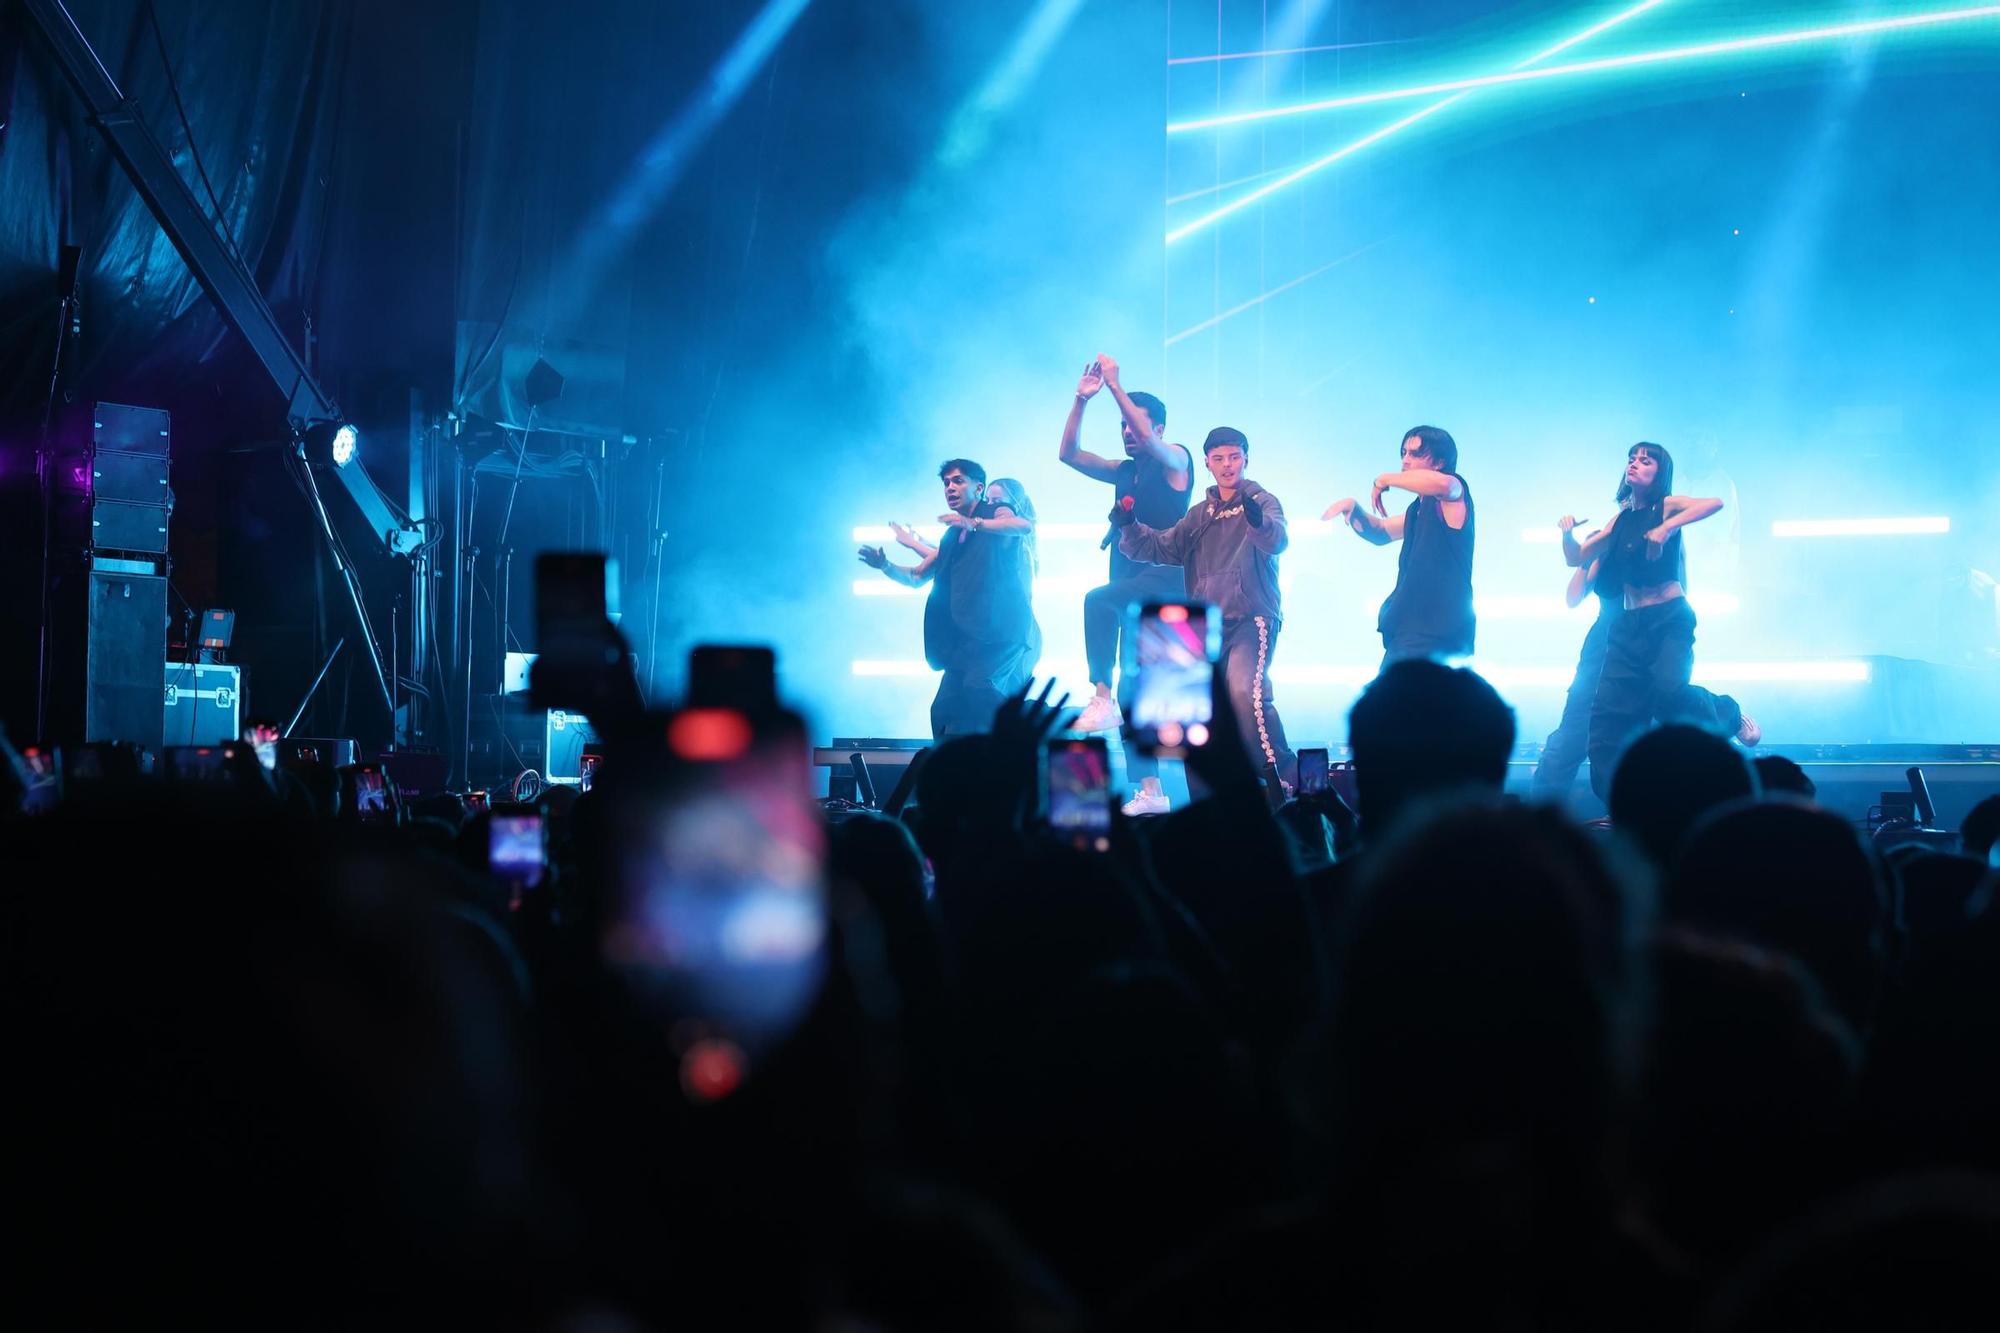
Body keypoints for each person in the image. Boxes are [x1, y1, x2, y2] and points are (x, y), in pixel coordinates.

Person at [1570, 442, 1759, 802]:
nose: (1635, 464)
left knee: (1668, 692)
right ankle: (1620, 801)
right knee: (1609, 713)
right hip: (1628, 624)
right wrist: (1566, 534)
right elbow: (1576, 557)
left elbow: (1713, 504)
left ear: (1660, 472)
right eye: (1632, 459)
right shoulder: (1621, 521)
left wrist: (1667, 527)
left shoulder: (1665, 505)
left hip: (1668, 618)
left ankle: (1729, 715)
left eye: (1646, 460)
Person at [1112, 427, 1296, 791]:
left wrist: (1258, 521)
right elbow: (1161, 548)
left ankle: (1280, 778)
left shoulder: (1261, 500)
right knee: (1199, 715)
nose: (1227, 465)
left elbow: (1278, 539)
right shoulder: (1200, 515)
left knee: (1245, 691)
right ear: (1208, 463)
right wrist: (1129, 525)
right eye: (1219, 459)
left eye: (1234, 457)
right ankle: (1210, 804)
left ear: (1246, 458)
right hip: (1207, 627)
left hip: (1251, 617)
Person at [1058, 354, 1193, 814]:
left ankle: (1099, 691)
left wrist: (1116, 385)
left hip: (1166, 580)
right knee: (1133, 693)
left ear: (1157, 426)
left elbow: (1158, 446)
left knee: (1096, 603)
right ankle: (1151, 791)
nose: (1127, 431)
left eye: (1135, 425)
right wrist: (1081, 400)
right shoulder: (1123, 471)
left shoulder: (1177, 460)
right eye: (1121, 426)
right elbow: (1068, 455)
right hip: (1129, 581)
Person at [858, 460, 1040, 739]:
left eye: (958, 481)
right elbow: (917, 577)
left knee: (979, 691)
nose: (950, 488)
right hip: (964, 641)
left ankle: (1032, 731)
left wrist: (975, 522)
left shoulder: (995, 512)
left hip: (999, 635)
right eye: (946, 483)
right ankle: (954, 773)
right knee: (943, 709)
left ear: (979, 488)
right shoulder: (952, 535)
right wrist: (886, 566)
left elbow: (1021, 526)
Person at [1324, 425, 1475, 668]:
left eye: (1415, 454)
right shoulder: (1416, 511)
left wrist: (1384, 479)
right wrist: (1354, 510)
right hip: (1410, 626)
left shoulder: (1455, 491)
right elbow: (1380, 532)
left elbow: (1445, 486)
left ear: (1439, 462)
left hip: (1437, 626)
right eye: (1403, 453)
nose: (1405, 461)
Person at [1531, 513, 1622, 803]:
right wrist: (1583, 552)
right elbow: (1573, 597)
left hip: (1641, 642)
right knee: (1574, 733)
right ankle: (1540, 819)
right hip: (1603, 646)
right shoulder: (1605, 542)